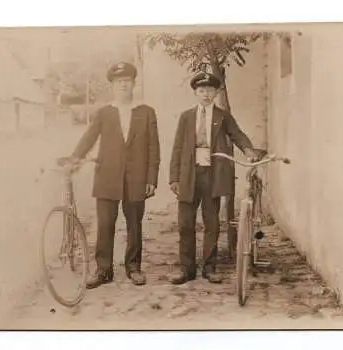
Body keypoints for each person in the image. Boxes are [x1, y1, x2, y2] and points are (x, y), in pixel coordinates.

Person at [68, 62, 161, 289]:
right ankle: (103, 270)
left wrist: (151, 179)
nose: (123, 86)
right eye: (119, 82)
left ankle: (134, 267)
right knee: (105, 224)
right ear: (112, 85)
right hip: (107, 177)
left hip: (136, 178)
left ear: (133, 84)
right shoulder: (104, 113)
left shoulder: (146, 112)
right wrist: (74, 158)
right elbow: (89, 138)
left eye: (127, 82)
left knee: (134, 225)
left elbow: (153, 149)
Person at [168, 72, 259, 285]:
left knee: (212, 223)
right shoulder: (186, 117)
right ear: (195, 93)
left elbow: (237, 134)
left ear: (216, 92)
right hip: (189, 175)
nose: (206, 95)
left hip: (212, 175)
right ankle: (186, 269)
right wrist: (174, 177)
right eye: (201, 91)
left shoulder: (222, 116)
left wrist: (248, 150)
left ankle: (210, 268)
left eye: (210, 91)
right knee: (185, 224)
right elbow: (177, 147)